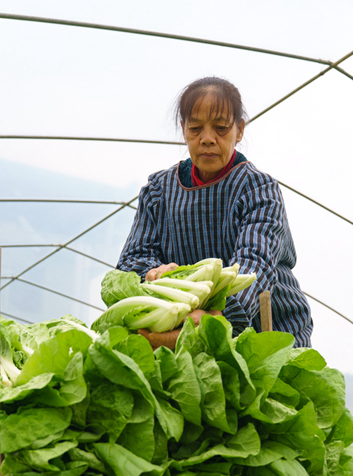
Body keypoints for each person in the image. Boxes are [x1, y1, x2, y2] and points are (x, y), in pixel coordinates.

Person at [116, 76, 313, 348]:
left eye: (220, 128)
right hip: (179, 326)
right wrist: (154, 272)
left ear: (239, 130)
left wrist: (214, 319)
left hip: (265, 332)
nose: (207, 139)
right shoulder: (159, 191)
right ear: (183, 129)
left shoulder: (257, 189)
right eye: (195, 128)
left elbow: (254, 265)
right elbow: (132, 261)